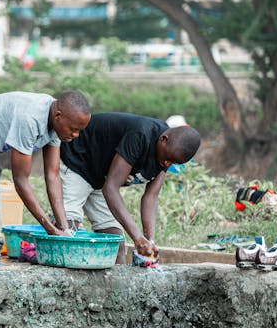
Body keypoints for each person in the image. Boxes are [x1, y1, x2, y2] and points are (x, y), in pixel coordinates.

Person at [0, 91, 92, 267]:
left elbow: (53, 175)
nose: (76, 135)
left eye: (79, 131)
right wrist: (50, 229)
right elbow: (20, 180)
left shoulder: (57, 124)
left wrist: (64, 228)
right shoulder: (30, 118)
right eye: (74, 129)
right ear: (58, 116)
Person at [59, 112, 201, 263]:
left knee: (116, 243)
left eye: (173, 162)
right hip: (77, 161)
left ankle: (114, 285)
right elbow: (111, 189)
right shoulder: (140, 135)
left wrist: (149, 240)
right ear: (163, 140)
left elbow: (151, 196)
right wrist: (137, 237)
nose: (167, 165)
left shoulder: (168, 152)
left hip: (100, 177)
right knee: (67, 228)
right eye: (167, 159)